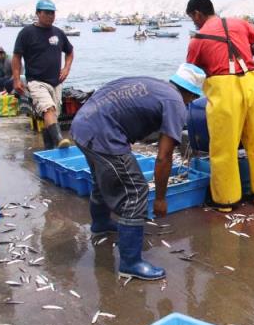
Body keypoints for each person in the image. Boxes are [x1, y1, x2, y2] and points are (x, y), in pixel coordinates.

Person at [70, 63, 206, 280]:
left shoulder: (156, 85)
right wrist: (160, 198)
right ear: (191, 95)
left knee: (103, 178)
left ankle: (101, 223)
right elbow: (164, 157)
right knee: (135, 190)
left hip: (81, 125)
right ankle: (130, 262)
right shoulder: (176, 104)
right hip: (104, 136)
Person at [186, 0, 254, 213]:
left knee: (224, 147)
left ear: (197, 14)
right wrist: (251, 52)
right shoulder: (238, 23)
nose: (194, 23)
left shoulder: (198, 39)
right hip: (253, 83)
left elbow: (190, 75)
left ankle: (227, 201)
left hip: (224, 90)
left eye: (193, 19)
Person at [12, 0, 74, 150]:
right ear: (37, 13)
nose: (50, 16)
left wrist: (66, 68)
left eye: (52, 13)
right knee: (48, 109)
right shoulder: (26, 33)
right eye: (46, 13)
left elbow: (70, 52)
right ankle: (60, 140)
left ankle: (49, 149)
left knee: (53, 116)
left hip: (56, 82)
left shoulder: (58, 33)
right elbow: (16, 57)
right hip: (36, 81)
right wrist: (16, 79)